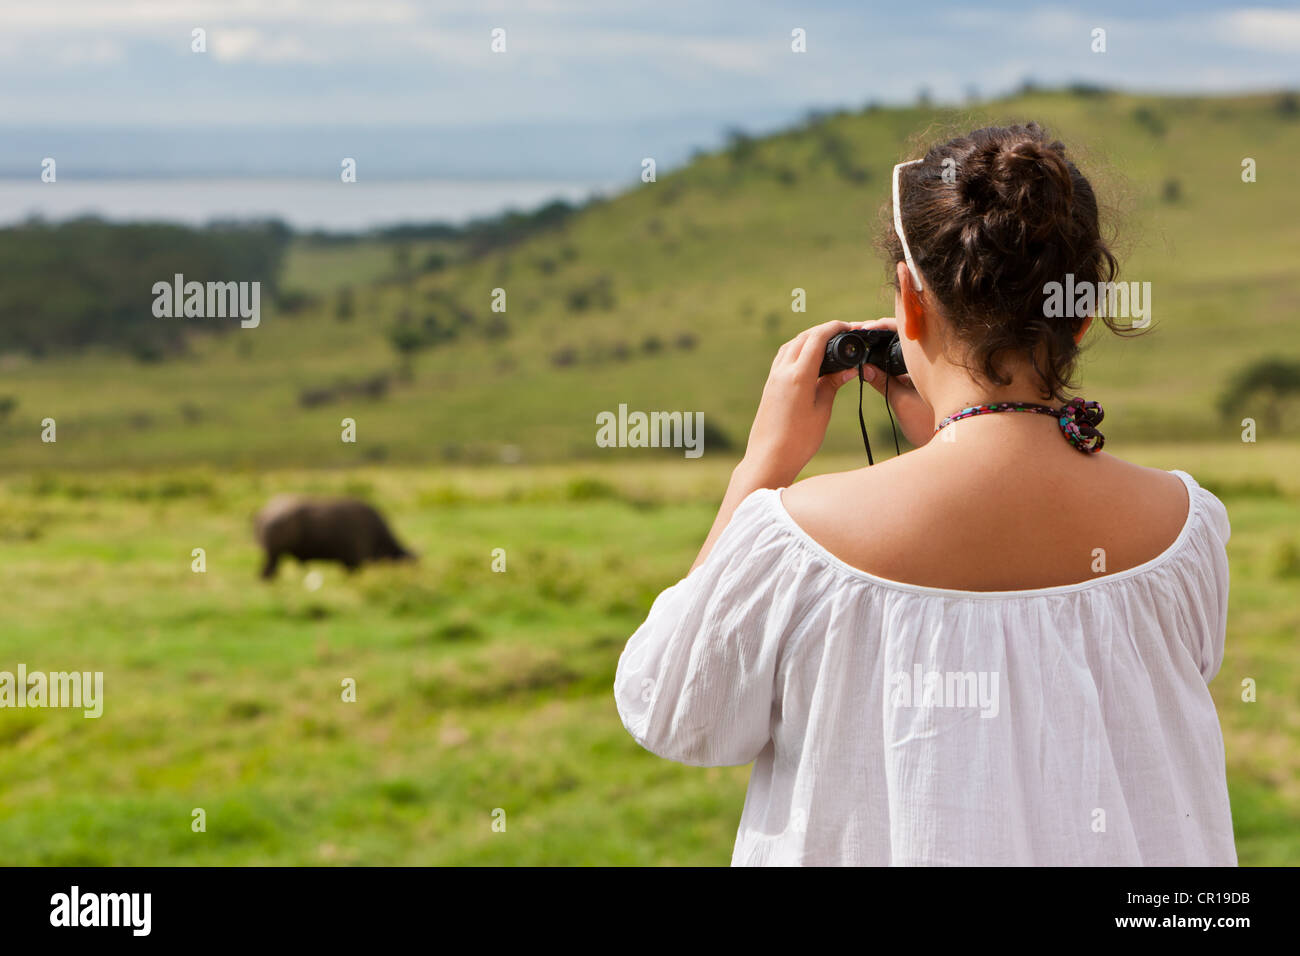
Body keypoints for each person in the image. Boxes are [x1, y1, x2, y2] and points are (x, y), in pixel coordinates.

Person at [613, 123, 1237, 866]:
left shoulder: (797, 539)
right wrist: (948, 440)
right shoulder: (1186, 528)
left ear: (909, 302)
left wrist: (760, 469)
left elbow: (674, 713)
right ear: (1080, 315)